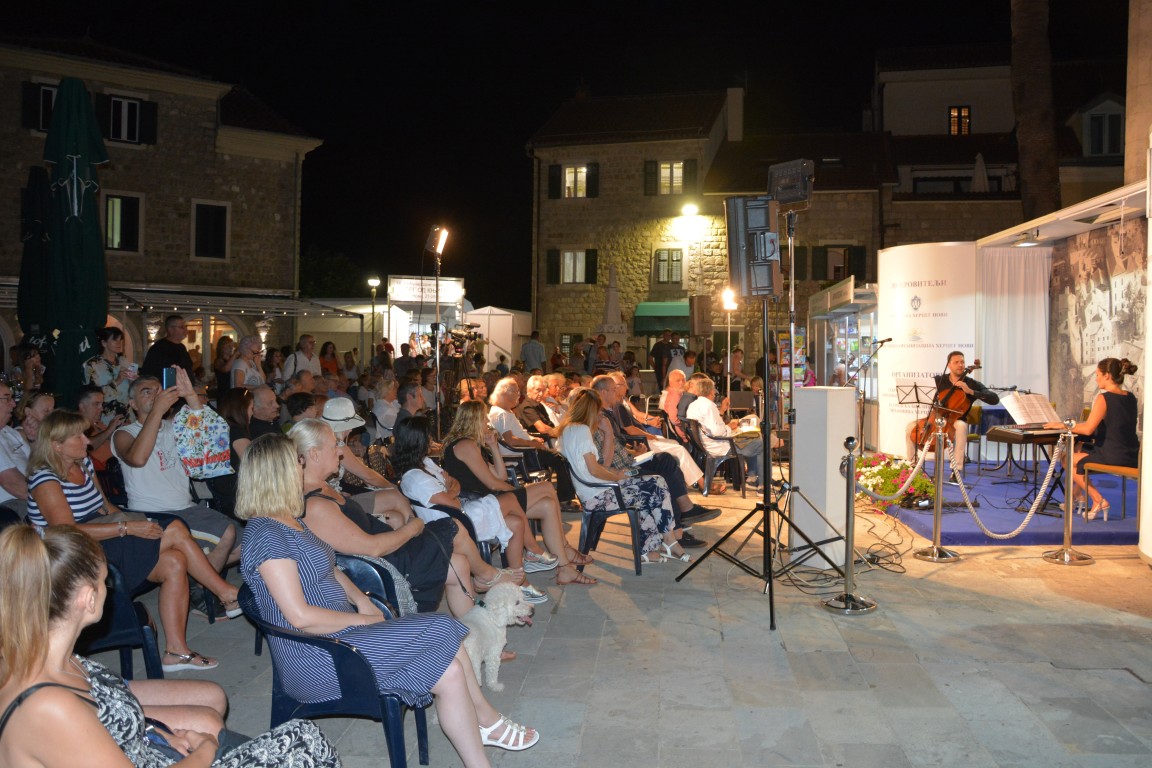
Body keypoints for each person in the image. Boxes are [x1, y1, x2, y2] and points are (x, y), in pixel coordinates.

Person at [238, 433, 539, 764]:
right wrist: (362, 619)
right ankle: (488, 720)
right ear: (278, 473)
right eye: (296, 463)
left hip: (341, 638)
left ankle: (481, 747)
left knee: (451, 671)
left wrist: (360, 598)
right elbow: (299, 617)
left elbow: (330, 566)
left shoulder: (289, 520)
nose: (301, 467)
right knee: (442, 627)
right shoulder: (267, 535)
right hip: (321, 657)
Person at [0, 523, 341, 767]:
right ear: (88, 599)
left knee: (302, 737)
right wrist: (204, 751)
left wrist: (158, 733)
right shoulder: (48, 705)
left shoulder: (55, 658)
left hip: (155, 753)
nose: (109, 590)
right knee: (306, 746)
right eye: (105, 582)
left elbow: (110, 720)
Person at [26, 411, 241, 672]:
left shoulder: (83, 464)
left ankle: (176, 652)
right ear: (56, 445)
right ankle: (226, 593)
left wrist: (131, 522)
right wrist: (127, 528)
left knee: (174, 560)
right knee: (174, 528)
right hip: (77, 554)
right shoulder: (45, 479)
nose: (87, 441)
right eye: (78, 436)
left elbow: (105, 507)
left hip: (106, 537)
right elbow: (66, 531)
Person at [291, 418, 508, 617]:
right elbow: (372, 548)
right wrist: (412, 528)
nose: (340, 451)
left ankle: (474, 632)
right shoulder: (316, 505)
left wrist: (387, 521)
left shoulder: (321, 490)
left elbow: (346, 532)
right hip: (390, 565)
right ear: (314, 454)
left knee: (459, 563)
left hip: (391, 554)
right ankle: (487, 575)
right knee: (453, 526)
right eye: (334, 445)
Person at [393, 416, 545, 604]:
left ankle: (517, 583)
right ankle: (533, 551)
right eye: (428, 437)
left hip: (462, 512)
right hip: (455, 523)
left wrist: (450, 490)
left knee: (516, 522)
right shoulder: (415, 478)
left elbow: (453, 482)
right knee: (511, 499)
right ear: (418, 441)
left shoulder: (425, 463)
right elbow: (453, 503)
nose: (431, 440)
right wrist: (451, 491)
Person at [443, 401, 594, 585]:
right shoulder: (465, 445)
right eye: (484, 419)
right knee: (546, 487)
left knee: (547, 505)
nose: (487, 423)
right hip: (481, 505)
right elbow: (492, 483)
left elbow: (500, 476)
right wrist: (515, 492)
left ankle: (564, 568)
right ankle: (562, 549)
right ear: (474, 420)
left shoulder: (474, 445)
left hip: (492, 500)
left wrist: (493, 446)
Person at [111, 369, 240, 572]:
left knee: (246, 545)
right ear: (133, 404)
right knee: (227, 533)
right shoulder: (124, 433)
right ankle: (206, 584)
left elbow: (211, 434)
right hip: (153, 512)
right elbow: (137, 459)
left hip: (187, 507)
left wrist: (190, 394)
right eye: (147, 392)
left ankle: (196, 578)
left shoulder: (175, 426)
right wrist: (157, 411)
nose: (155, 395)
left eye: (158, 390)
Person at [556, 388, 687, 563]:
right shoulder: (581, 430)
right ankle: (667, 541)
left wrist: (615, 466)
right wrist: (617, 477)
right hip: (599, 494)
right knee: (654, 485)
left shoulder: (568, 430)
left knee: (654, 485)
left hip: (594, 490)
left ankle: (652, 548)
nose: (600, 416)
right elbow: (594, 469)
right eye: (598, 411)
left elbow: (594, 468)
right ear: (590, 410)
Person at [1043, 357, 1140, 520]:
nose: (1096, 379)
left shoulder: (1104, 398)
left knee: (1066, 459)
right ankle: (1076, 496)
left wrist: (1061, 425)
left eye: (1097, 375)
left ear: (1107, 375)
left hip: (1113, 454)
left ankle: (1098, 500)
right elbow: (1114, 425)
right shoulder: (1130, 397)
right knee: (1078, 448)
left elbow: (1088, 429)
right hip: (1131, 454)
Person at [904, 350, 1000, 473]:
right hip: (936, 417)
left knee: (961, 426)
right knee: (910, 427)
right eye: (956, 362)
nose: (960, 365)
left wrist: (971, 391)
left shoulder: (971, 384)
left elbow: (994, 399)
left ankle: (956, 469)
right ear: (949, 365)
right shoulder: (939, 380)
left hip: (955, 421)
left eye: (962, 362)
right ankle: (912, 465)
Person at [686, 377, 769, 489]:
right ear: (711, 391)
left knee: (754, 436)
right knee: (761, 444)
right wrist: (730, 427)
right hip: (721, 445)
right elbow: (716, 431)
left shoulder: (693, 405)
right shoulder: (708, 406)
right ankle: (762, 486)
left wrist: (726, 421)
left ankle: (752, 477)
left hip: (710, 443)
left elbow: (713, 427)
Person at [82, 326, 133, 423]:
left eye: (120, 340)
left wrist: (134, 380)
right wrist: (116, 382)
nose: (119, 343)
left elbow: (132, 389)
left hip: (127, 416)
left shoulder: (124, 361)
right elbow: (90, 395)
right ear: (104, 343)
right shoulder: (93, 365)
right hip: (106, 417)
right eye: (115, 340)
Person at [142, 315, 195, 381]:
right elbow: (149, 374)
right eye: (181, 327)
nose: (185, 330)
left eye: (185, 327)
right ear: (170, 329)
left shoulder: (182, 347)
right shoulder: (159, 349)